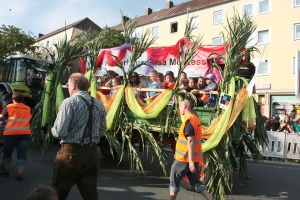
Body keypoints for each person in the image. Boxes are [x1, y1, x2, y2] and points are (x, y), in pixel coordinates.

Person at [51, 73, 106, 200]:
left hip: (71, 154)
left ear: (74, 85)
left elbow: (60, 132)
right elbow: (102, 130)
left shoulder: (69, 103)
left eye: (68, 85)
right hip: (92, 155)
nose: (68, 88)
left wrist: (52, 130)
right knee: (90, 195)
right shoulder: (99, 104)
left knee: (56, 194)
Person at [169, 98, 212, 200]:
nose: (179, 109)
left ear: (185, 106)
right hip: (192, 159)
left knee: (174, 181)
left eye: (180, 106)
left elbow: (191, 141)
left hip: (184, 160)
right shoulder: (195, 119)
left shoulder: (189, 121)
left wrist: (191, 162)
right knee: (197, 182)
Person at [0, 93, 32, 181]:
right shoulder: (28, 108)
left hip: (10, 133)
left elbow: (2, 117)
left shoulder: (9, 107)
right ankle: (19, 174)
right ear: (23, 100)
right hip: (25, 134)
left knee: (7, 151)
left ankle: (6, 170)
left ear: (13, 99)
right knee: (22, 153)